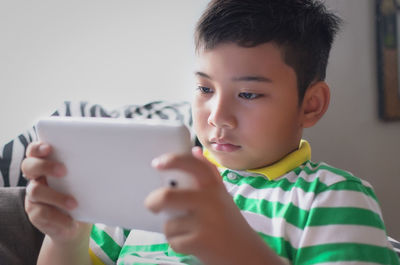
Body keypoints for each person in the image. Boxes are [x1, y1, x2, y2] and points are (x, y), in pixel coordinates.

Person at [21, 0, 400, 264]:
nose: (218, 116)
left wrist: (234, 251)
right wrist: (66, 237)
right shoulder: (145, 184)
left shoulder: (332, 198)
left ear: (311, 104)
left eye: (249, 93)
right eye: (205, 89)